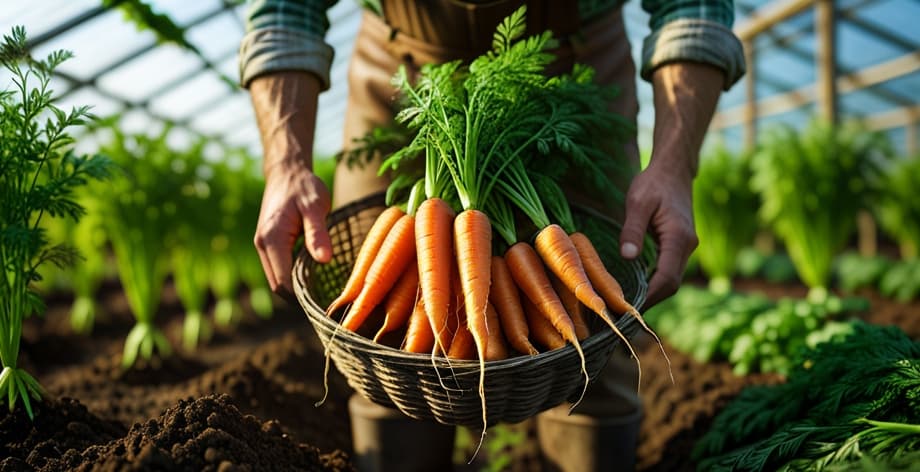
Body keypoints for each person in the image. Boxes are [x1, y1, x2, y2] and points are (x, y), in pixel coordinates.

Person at [239, 1, 744, 470]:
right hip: (404, 82)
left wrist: (675, 165)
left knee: (590, 342)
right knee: (384, 345)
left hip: (570, 81)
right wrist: (286, 162)